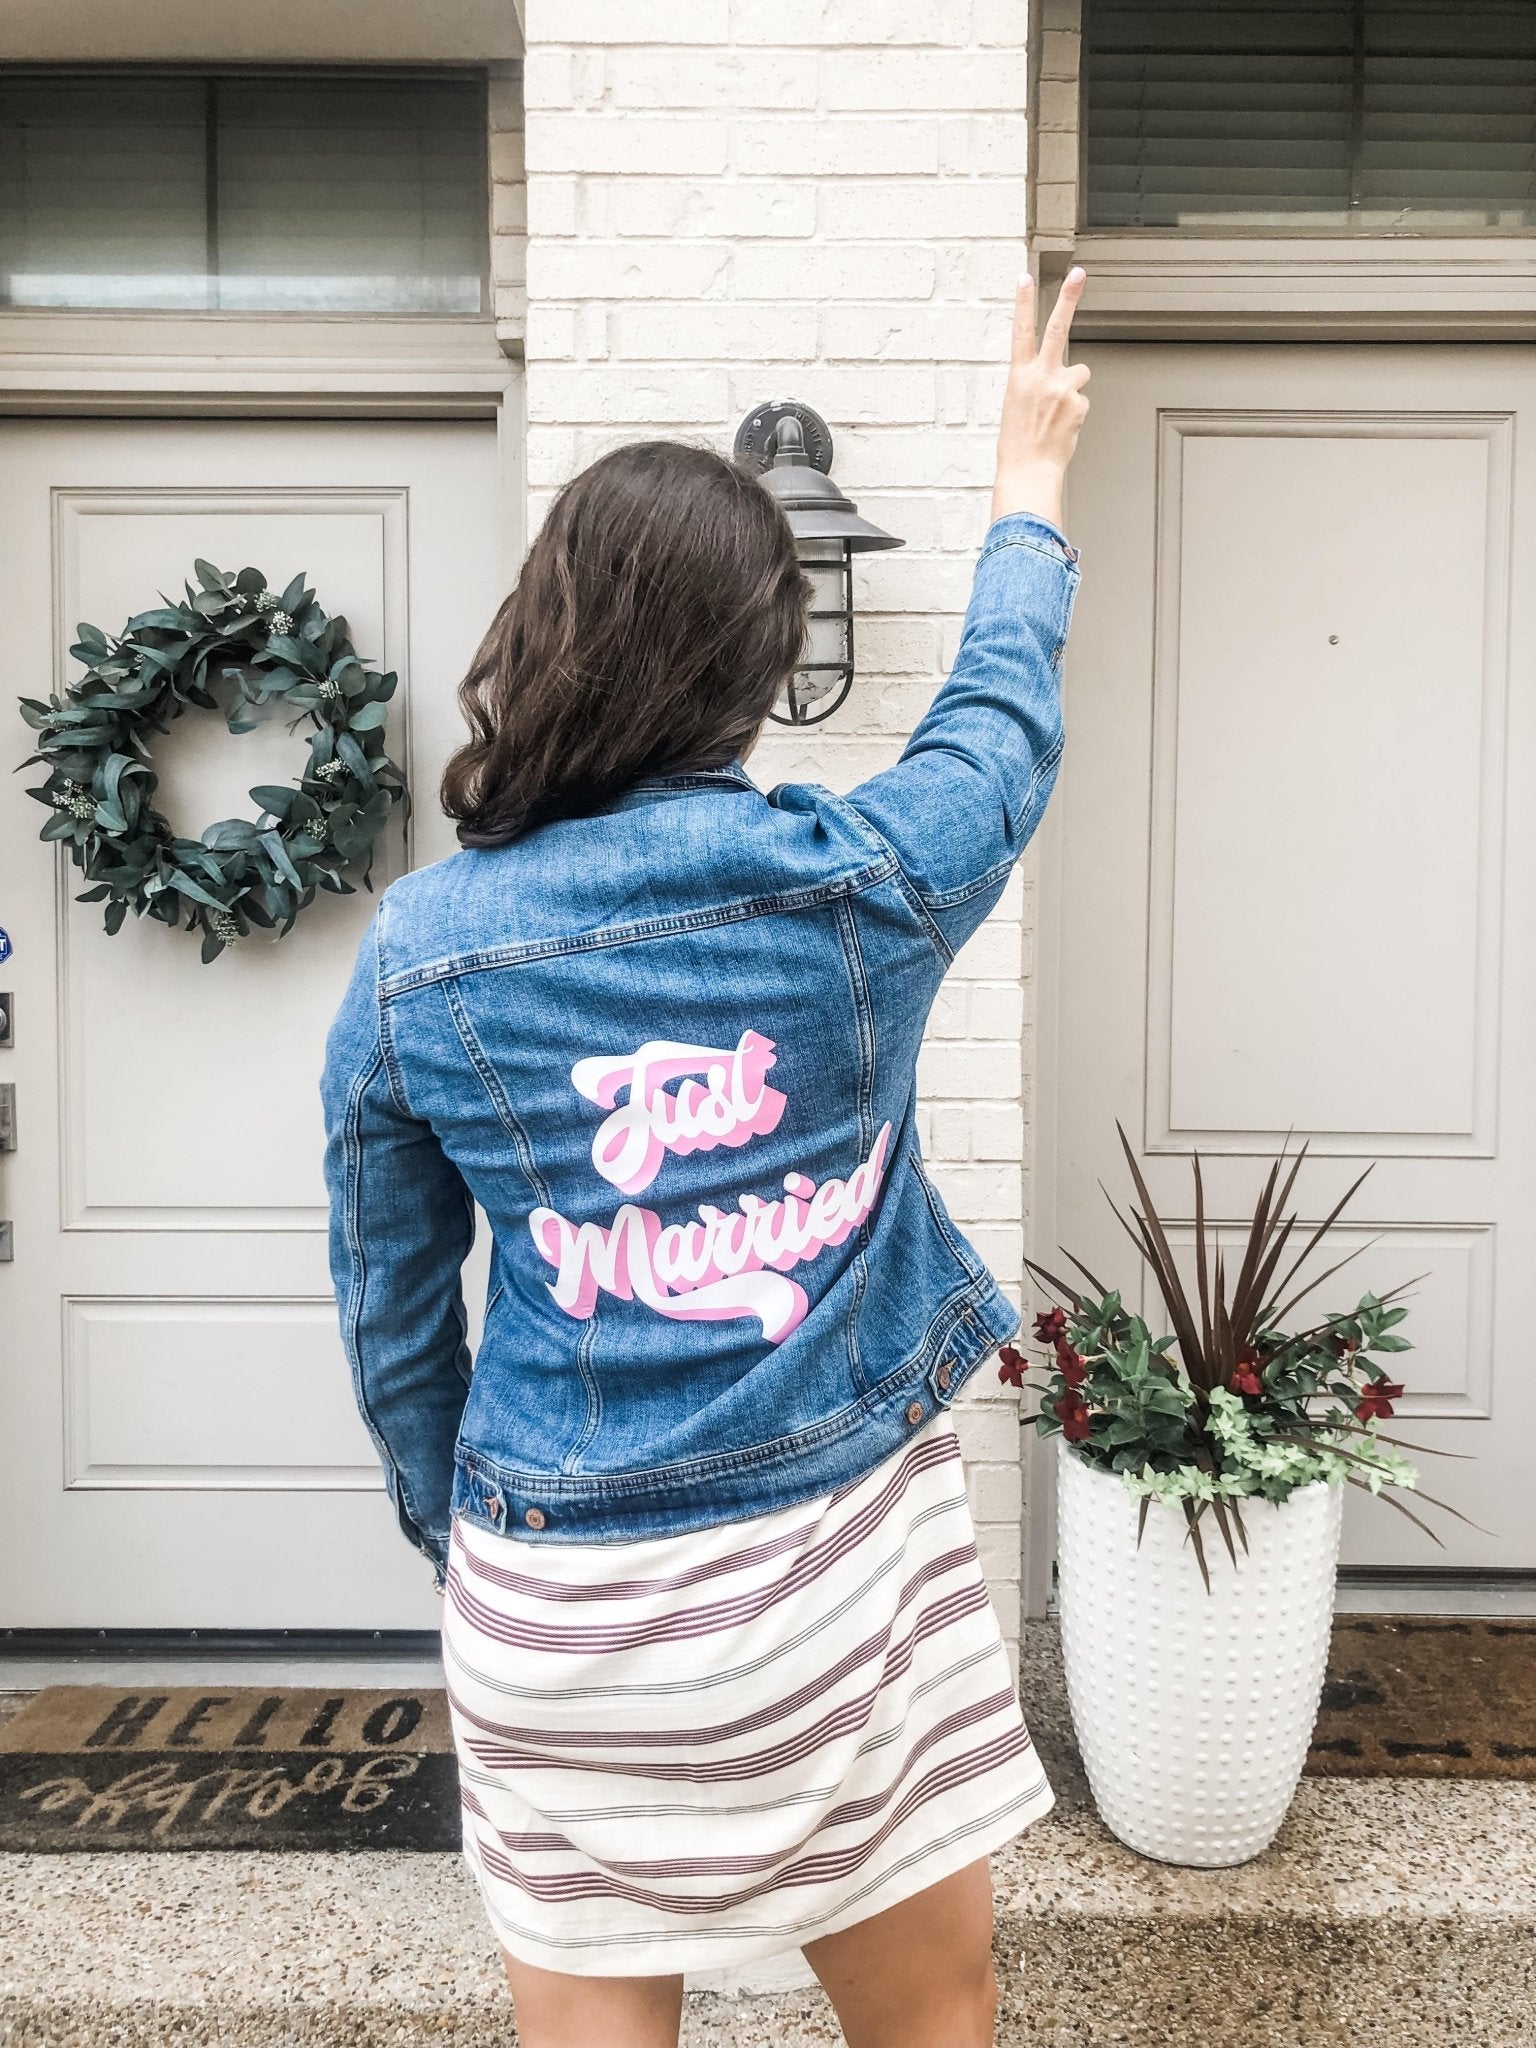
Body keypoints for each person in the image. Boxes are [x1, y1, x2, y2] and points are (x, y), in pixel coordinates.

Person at [321, 266, 1090, 2048]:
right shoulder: (855, 883)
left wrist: (469, 1529)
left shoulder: (419, 951)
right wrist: (1024, 492)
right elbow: (997, 731)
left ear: (545, 626)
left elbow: (393, 1305)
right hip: (829, 1591)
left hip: (558, 1612)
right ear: (759, 668)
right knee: (933, 2023)